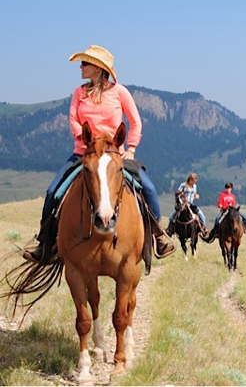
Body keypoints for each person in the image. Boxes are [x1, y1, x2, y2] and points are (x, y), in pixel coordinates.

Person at [23, 45, 175, 262]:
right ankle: (45, 242)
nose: (81, 67)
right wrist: (85, 140)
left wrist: (131, 149)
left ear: (97, 68)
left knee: (148, 188)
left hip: (115, 154)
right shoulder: (78, 92)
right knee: (53, 192)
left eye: (84, 63)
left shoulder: (120, 92)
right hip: (84, 153)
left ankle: (158, 236)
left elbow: (135, 122)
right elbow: (74, 120)